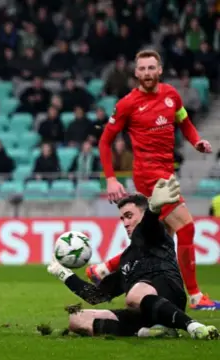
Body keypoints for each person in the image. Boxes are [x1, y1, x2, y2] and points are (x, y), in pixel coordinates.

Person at [91, 49, 219, 310]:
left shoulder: (172, 95)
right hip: (149, 175)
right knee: (187, 227)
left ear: (160, 70)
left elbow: (184, 121)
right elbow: (105, 141)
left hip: (167, 172)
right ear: (135, 72)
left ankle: (104, 269)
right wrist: (112, 179)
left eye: (152, 68)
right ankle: (194, 296)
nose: (147, 73)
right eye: (142, 69)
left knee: (159, 238)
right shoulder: (128, 103)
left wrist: (196, 142)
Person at [48, 177, 218, 339]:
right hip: (142, 312)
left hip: (170, 295)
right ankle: (148, 331)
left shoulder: (156, 235)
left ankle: (193, 326)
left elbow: (148, 226)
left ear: (144, 215)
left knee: (134, 294)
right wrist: (64, 274)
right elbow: (96, 296)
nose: (125, 223)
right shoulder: (127, 258)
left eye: (129, 216)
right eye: (122, 218)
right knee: (76, 319)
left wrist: (153, 209)